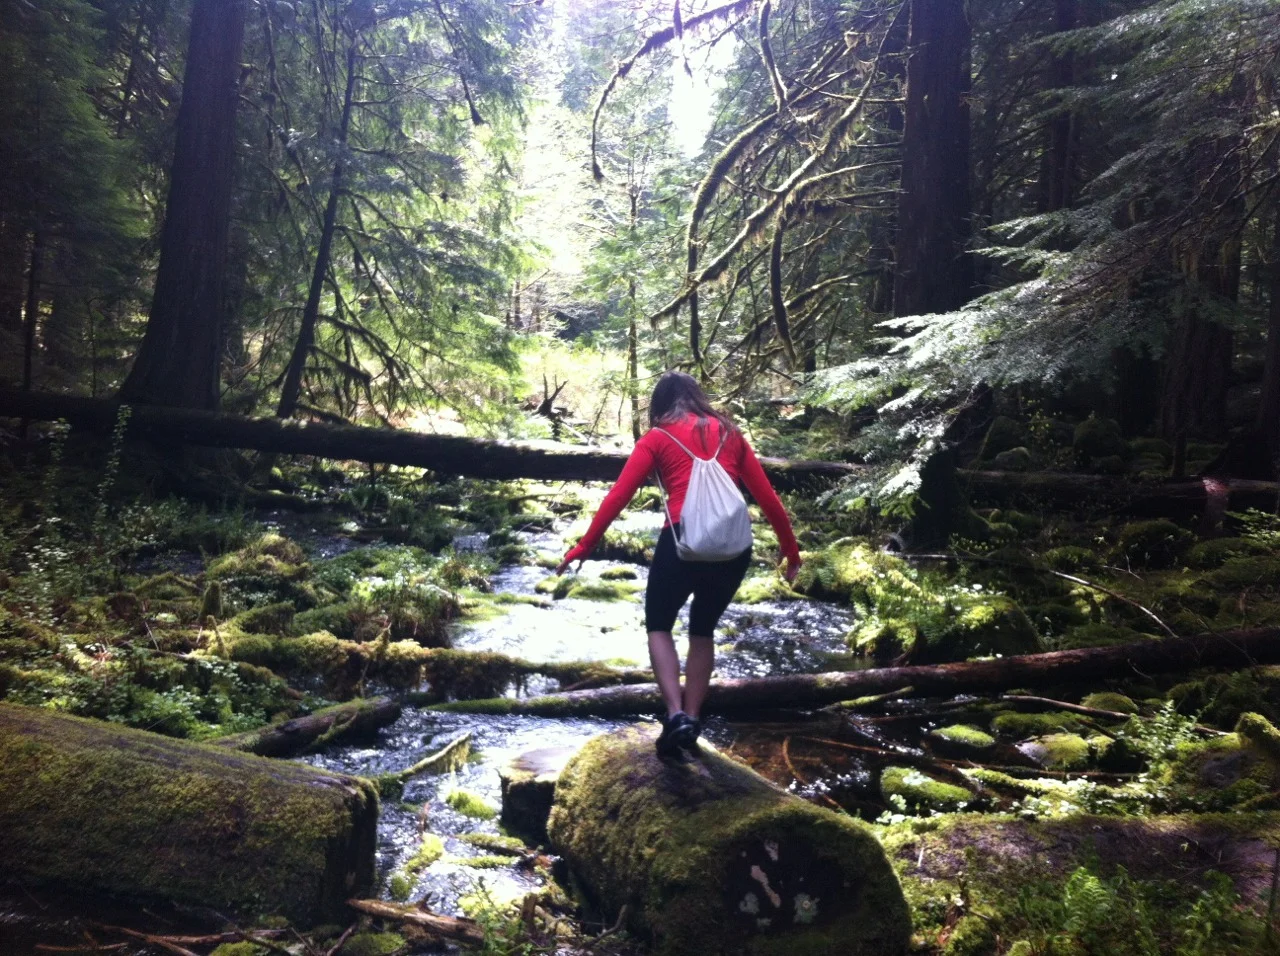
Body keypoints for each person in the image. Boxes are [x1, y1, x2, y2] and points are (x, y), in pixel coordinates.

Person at [557, 371, 802, 757]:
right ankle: (693, 715)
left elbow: (618, 496)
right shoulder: (731, 434)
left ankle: (675, 715)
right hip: (732, 548)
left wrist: (585, 546)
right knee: (702, 630)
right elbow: (767, 497)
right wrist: (791, 550)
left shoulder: (658, 437)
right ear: (696, 396)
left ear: (660, 403)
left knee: (659, 624)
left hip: (681, 540)